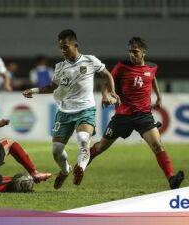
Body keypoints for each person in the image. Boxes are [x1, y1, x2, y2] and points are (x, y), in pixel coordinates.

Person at [23, 29, 118, 189]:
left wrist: (110, 92)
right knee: (56, 150)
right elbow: (52, 87)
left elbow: (108, 75)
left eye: (66, 47)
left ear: (75, 45)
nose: (63, 50)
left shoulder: (90, 60)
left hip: (86, 109)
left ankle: (80, 167)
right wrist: (34, 90)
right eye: (61, 47)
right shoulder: (60, 67)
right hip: (65, 111)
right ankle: (66, 170)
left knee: (82, 138)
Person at [87, 37, 184, 189]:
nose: (132, 54)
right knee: (101, 147)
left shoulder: (152, 67)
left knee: (158, 146)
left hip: (143, 116)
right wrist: (105, 95)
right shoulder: (122, 66)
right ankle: (81, 166)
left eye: (135, 52)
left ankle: (171, 178)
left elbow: (152, 78)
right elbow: (107, 82)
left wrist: (159, 96)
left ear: (143, 52)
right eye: (130, 51)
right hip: (123, 116)